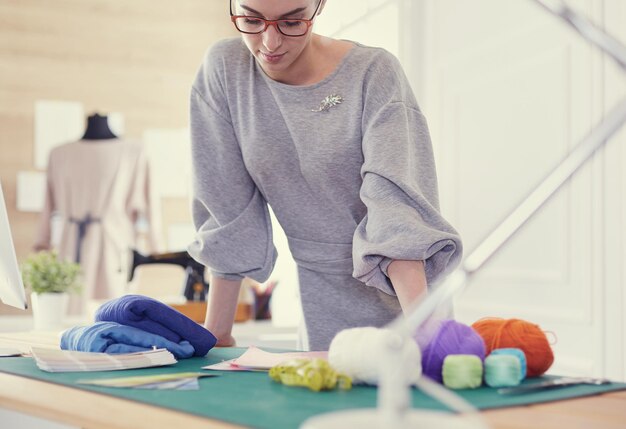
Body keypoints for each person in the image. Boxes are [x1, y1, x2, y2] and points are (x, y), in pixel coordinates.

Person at [188, 0, 463, 351]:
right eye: (252, 19)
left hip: (408, 304)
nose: (270, 43)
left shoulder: (373, 73)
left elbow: (397, 214)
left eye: (292, 22)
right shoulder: (226, 70)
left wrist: (426, 340)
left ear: (318, 7)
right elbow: (226, 211)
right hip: (319, 304)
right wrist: (216, 336)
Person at [35, 113, 161, 314]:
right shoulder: (58, 154)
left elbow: (150, 203)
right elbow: (48, 205)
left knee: (114, 310)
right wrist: (43, 243)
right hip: (72, 246)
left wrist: (156, 248)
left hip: (114, 243)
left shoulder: (134, 151)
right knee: (72, 310)